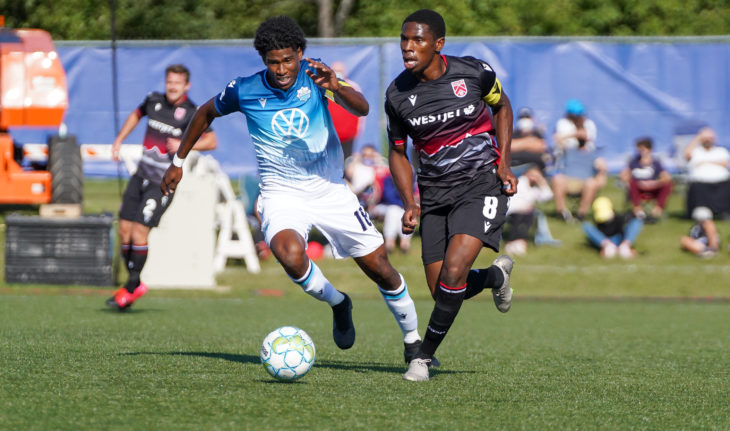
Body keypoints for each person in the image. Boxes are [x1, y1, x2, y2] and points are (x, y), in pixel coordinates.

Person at [160, 16, 430, 364]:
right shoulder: (244, 88)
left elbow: (361, 107)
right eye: (274, 62)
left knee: (380, 267)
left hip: (330, 189)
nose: (282, 68)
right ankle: (338, 302)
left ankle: (413, 341)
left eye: (288, 59)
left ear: (300, 53)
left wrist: (336, 85)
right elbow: (205, 112)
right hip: (280, 193)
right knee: (289, 255)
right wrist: (178, 162)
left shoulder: (318, 76)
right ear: (264, 61)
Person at [385, 9, 517, 381]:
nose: (408, 48)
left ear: (438, 44)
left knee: (454, 273)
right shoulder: (397, 94)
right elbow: (397, 151)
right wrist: (410, 201)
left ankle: (422, 358)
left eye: (417, 40)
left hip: (481, 184)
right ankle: (494, 278)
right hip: (434, 193)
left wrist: (504, 163)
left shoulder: (475, 72)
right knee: (441, 286)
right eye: (404, 40)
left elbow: (502, 106)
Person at [106, 64, 218, 310]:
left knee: (139, 232)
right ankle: (133, 284)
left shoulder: (191, 112)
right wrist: (119, 139)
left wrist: (183, 145)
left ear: (186, 86)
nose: (172, 86)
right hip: (140, 175)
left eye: (177, 82)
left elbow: (211, 141)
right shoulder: (153, 100)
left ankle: (132, 285)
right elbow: (136, 114)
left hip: (163, 182)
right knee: (124, 230)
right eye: (170, 81)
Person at [551, 99, 607, 222]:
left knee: (592, 182)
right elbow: (558, 141)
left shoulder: (591, 150)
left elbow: (600, 167)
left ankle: (581, 214)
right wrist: (575, 134)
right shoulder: (567, 146)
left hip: (584, 181)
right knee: (557, 178)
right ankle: (562, 213)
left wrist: (601, 173)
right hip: (568, 180)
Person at [503, 166, 556, 256]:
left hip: (526, 213)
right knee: (524, 216)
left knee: (529, 216)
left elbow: (548, 196)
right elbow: (512, 202)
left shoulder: (534, 187)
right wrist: (524, 207)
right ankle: (514, 241)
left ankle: (520, 242)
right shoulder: (519, 182)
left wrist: (541, 182)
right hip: (513, 211)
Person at [619, 137, 673, 222]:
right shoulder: (634, 162)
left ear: (649, 150)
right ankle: (639, 211)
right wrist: (629, 178)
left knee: (667, 185)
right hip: (638, 190)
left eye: (643, 150)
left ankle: (656, 212)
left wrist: (655, 183)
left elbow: (667, 177)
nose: (640, 152)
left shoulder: (655, 163)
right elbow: (624, 175)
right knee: (632, 183)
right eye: (639, 150)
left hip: (652, 189)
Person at [683, 127, 730, 218]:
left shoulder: (721, 151)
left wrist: (704, 162)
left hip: (721, 183)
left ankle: (724, 212)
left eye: (710, 138)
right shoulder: (696, 151)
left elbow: (725, 163)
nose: (708, 140)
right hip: (700, 184)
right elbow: (687, 154)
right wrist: (698, 138)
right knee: (698, 188)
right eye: (706, 138)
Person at [327, 61, 364, 160]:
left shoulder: (353, 87)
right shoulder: (324, 88)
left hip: (347, 135)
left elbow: (360, 110)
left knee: (346, 161)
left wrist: (357, 130)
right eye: (335, 71)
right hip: (329, 135)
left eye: (340, 71)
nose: (338, 73)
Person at [510, 106, 550, 177]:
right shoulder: (513, 133)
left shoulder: (537, 133)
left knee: (534, 174)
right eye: (522, 118)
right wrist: (529, 141)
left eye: (527, 117)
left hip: (535, 168)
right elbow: (510, 147)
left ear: (532, 119)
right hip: (515, 167)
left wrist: (519, 144)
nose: (525, 120)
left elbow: (541, 147)